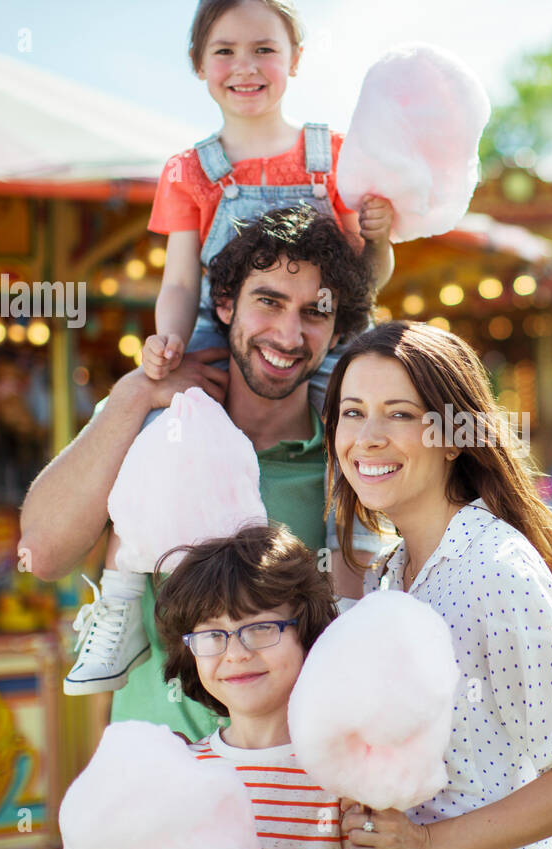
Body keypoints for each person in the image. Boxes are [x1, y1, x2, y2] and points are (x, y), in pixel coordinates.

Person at [62, 0, 396, 695]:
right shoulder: (190, 169)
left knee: (358, 434)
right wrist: (170, 342)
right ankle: (124, 592)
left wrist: (381, 237)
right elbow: (182, 275)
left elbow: (366, 280)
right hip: (224, 328)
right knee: (161, 436)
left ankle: (356, 578)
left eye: (265, 50)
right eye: (225, 51)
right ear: (198, 65)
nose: (245, 67)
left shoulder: (331, 156)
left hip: (324, 326)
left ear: (295, 62)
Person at [19, 208, 382, 740]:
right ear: (227, 305)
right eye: (269, 302)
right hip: (158, 786)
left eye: (314, 313)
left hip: (290, 792)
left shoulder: (349, 463)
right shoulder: (146, 425)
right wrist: (138, 391)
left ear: (337, 329)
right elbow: (43, 553)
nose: (287, 334)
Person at [323, 321, 552, 849]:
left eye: (399, 413)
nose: (367, 436)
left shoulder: (495, 574)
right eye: (352, 411)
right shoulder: (392, 573)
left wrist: (425, 847)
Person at [156, 523, 351, 849]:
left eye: (260, 628)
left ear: (306, 633)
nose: (236, 653)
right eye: (213, 634)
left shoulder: (348, 776)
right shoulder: (181, 772)